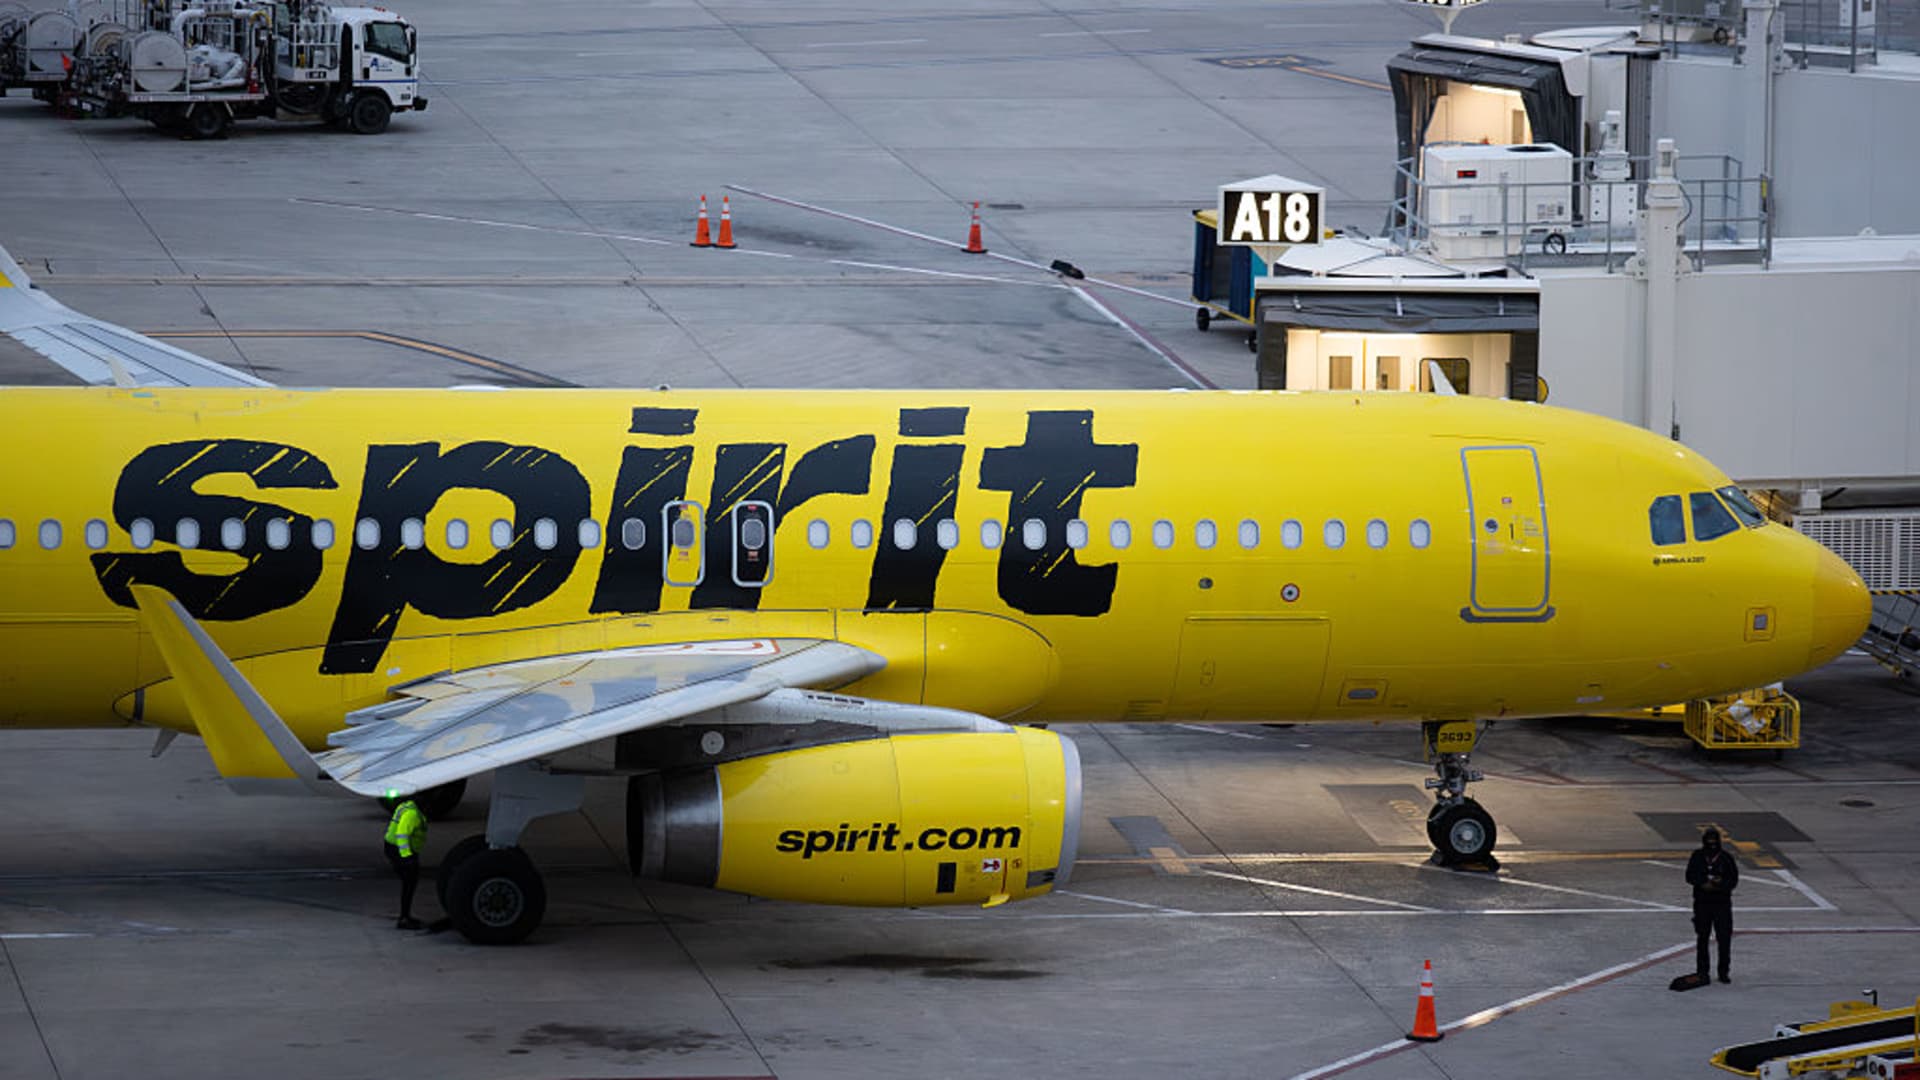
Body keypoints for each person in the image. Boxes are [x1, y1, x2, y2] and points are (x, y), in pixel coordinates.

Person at [1685, 827, 1739, 983]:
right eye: (1709, 841)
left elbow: (1733, 880)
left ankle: (1723, 972)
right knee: (1702, 938)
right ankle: (1702, 971)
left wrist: (1719, 884)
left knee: (1724, 938)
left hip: (1721, 904)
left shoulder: (1726, 858)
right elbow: (1689, 876)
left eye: (1714, 841)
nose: (1712, 844)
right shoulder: (1697, 856)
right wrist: (1703, 883)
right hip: (1702, 903)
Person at [383, 791, 426, 930]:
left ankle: (405, 916)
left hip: (393, 848)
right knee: (409, 882)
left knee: (409, 882)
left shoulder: (406, 806)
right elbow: (401, 835)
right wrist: (407, 857)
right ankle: (404, 918)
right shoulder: (412, 814)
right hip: (399, 851)